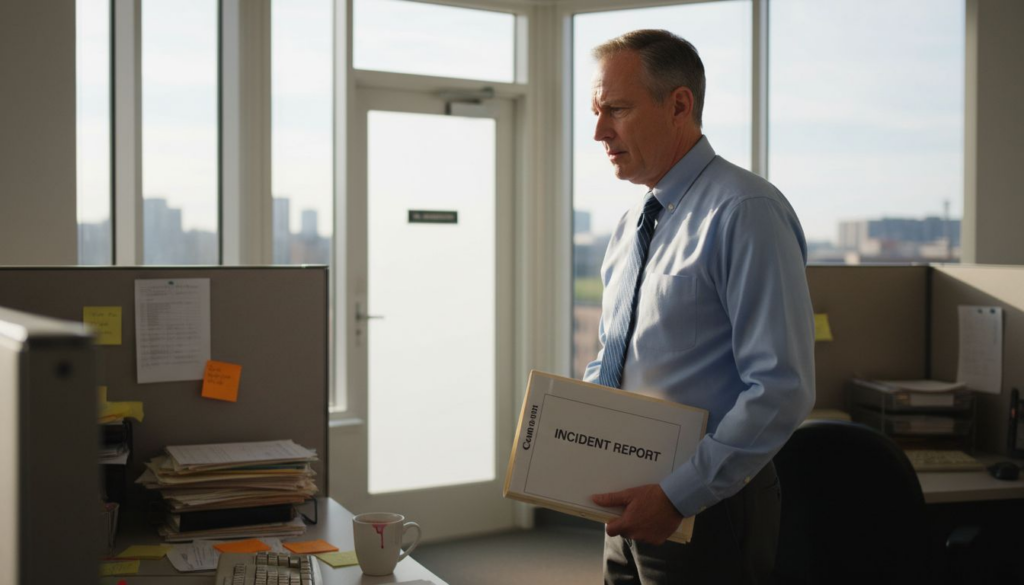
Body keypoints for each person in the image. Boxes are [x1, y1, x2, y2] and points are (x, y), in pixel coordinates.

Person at [581, 29, 815, 584]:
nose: (598, 132)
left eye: (615, 109)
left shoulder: (745, 211)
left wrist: (678, 495)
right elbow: (618, 355)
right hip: (630, 495)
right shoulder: (632, 226)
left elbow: (782, 387)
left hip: (709, 501)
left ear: (679, 105)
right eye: (596, 112)